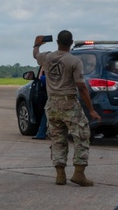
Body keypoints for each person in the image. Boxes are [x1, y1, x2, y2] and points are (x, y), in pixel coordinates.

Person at [34, 30, 100, 186]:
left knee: (57, 139)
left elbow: (36, 55)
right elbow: (81, 86)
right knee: (82, 136)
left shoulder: (47, 57)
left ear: (57, 41)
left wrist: (37, 44)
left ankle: (60, 174)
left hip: (52, 104)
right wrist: (91, 109)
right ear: (71, 42)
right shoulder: (74, 61)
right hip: (69, 103)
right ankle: (79, 173)